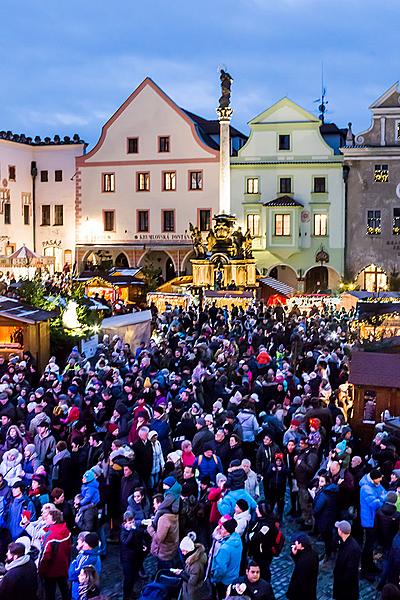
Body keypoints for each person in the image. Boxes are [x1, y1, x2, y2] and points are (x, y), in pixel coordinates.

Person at [38, 507, 72, 600]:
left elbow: (45, 556)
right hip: (64, 567)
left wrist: (41, 570)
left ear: (53, 521)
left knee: (50, 594)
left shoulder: (50, 536)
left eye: (48, 518)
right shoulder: (66, 531)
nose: (46, 519)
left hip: (51, 571)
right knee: (65, 590)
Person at [359, 467, 385, 578]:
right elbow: (375, 503)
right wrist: (383, 497)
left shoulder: (374, 485)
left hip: (374, 519)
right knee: (368, 546)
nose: (380, 481)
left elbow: (384, 492)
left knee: (371, 545)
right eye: (379, 479)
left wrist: (381, 495)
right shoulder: (365, 488)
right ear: (374, 479)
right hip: (369, 521)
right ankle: (365, 570)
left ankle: (370, 565)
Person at [210, 516, 242, 599]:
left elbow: (221, 569)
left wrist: (214, 578)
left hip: (224, 580)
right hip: (233, 575)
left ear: (227, 532)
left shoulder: (224, 549)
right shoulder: (237, 539)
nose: (220, 530)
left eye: (222, 529)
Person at [172, 532, 209, 600]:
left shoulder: (195, 564)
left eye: (184, 551)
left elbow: (192, 582)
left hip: (193, 591)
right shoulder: (197, 556)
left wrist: (181, 573)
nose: (182, 553)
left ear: (189, 550)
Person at [332, 520, 361, 600]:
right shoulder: (343, 541)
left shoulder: (353, 549)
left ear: (340, 531)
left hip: (347, 588)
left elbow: (350, 572)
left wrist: (340, 581)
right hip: (341, 583)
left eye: (338, 528)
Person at [68, 532, 101, 600]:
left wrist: (73, 563)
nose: (83, 544)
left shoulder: (89, 558)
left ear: (90, 546)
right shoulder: (85, 553)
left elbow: (72, 575)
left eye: (85, 543)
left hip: (81, 591)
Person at [286, 533, 319, 600]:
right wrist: (294, 554)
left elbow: (299, 579)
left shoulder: (304, 560)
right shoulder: (312, 553)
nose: (295, 543)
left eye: (297, 542)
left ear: (301, 545)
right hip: (310, 587)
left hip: (302, 592)